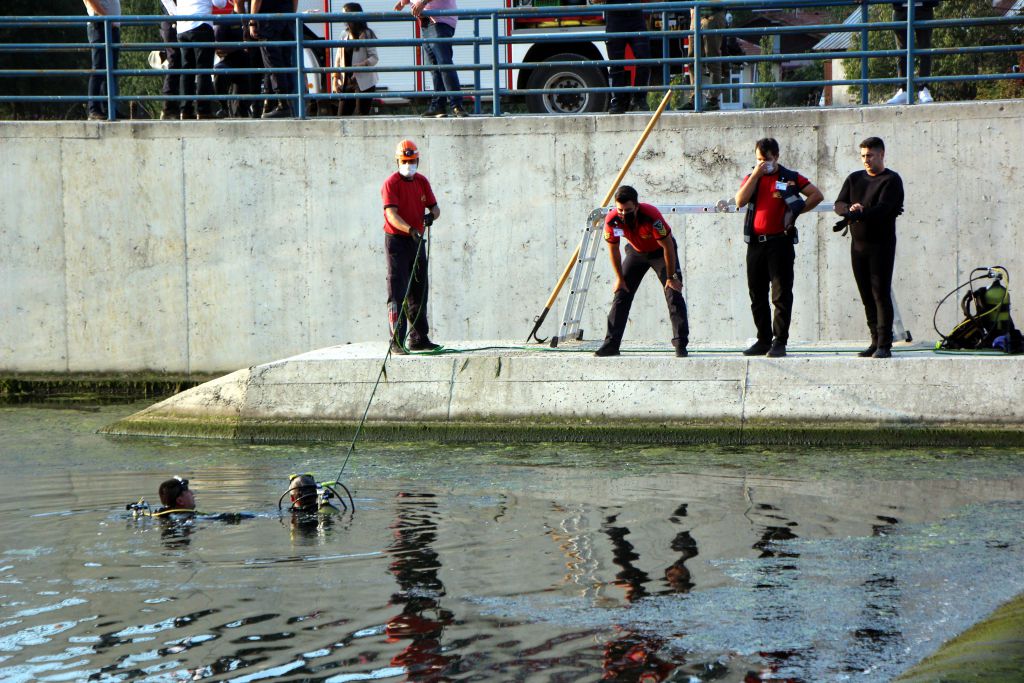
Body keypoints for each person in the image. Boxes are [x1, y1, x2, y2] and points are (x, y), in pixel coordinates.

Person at [734, 137, 823, 358]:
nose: (764, 163)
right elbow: (739, 201)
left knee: (781, 294)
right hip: (755, 244)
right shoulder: (752, 177)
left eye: (767, 159)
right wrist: (756, 174)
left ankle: (779, 340)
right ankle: (763, 339)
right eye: (759, 159)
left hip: (780, 243)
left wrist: (795, 210)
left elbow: (816, 195)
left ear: (777, 157)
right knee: (757, 294)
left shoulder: (789, 178)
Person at [594, 185, 690, 357]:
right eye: (620, 210)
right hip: (636, 252)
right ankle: (611, 345)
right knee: (621, 294)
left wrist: (671, 276)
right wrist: (619, 278)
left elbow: (668, 245)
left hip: (661, 252)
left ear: (637, 206)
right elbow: (614, 250)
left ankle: (680, 344)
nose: (623, 214)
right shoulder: (611, 220)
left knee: (673, 293)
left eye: (628, 210)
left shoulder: (651, 216)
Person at [834, 137, 905, 358]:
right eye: (863, 156)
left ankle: (885, 344)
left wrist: (861, 211)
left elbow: (884, 209)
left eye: (871, 155)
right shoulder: (855, 179)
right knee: (866, 295)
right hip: (858, 246)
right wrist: (850, 209)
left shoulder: (891, 180)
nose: (866, 160)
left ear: (882, 154)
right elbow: (839, 205)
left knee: (880, 294)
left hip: (880, 247)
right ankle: (875, 340)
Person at [382, 139, 441, 354]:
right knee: (397, 291)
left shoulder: (422, 182)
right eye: (405, 161)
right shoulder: (391, 184)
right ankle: (396, 341)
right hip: (397, 242)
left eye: (413, 161)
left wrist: (430, 217)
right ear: (398, 161)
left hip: (417, 241)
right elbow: (391, 213)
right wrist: (409, 230)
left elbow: (435, 208)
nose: (409, 165)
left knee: (419, 290)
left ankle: (418, 338)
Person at [394, 0, 468, 118]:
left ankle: (456, 105)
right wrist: (404, 2)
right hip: (427, 21)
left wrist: (422, 3)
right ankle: (439, 105)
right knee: (434, 66)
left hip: (439, 20)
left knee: (444, 63)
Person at [165, 0, 229, 119]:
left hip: (183, 27)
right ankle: (203, 110)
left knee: (186, 71)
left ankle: (185, 110)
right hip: (201, 25)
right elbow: (220, 4)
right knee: (203, 70)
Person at [596, 0, 651, 114]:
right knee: (616, 63)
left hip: (636, 16)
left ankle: (639, 98)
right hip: (615, 17)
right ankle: (618, 101)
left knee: (644, 58)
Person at [248, 0, 298, 118]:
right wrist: (289, 15)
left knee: (272, 64)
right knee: (285, 62)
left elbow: (257, 1)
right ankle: (275, 104)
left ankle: (282, 105)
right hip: (286, 20)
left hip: (268, 22)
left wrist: (252, 22)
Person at [887, 0, 939, 104]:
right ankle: (903, 90)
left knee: (925, 50)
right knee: (901, 52)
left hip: (923, 8)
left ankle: (923, 89)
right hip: (901, 8)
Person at [333, 3, 379, 116]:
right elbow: (338, 58)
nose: (342, 16)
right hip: (347, 82)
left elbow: (374, 58)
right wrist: (335, 79)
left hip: (364, 82)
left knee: (361, 117)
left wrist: (361, 65)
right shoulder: (344, 34)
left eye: (344, 13)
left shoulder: (367, 33)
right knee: (341, 117)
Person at [682, 1, 727, 111]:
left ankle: (713, 99)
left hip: (713, 14)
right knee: (692, 59)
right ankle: (694, 98)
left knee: (712, 58)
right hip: (696, 13)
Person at [82, 0, 121, 121]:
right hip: (100, 25)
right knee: (99, 68)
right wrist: (106, 17)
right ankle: (93, 109)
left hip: (109, 25)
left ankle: (109, 108)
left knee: (110, 69)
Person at [158, 1, 183, 120]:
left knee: (178, 63)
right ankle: (169, 107)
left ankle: (175, 107)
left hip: (176, 21)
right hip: (173, 21)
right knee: (175, 62)